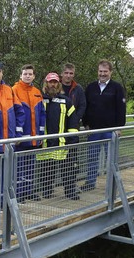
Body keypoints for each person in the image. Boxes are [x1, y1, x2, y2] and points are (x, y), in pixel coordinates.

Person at [0, 60, 25, 213]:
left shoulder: (9, 90)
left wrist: (18, 133)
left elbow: (20, 111)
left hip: (10, 141)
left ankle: (6, 203)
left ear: (2, 73)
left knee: (8, 175)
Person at [81, 59, 126, 191]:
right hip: (93, 130)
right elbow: (85, 106)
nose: (102, 74)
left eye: (105, 71)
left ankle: (112, 185)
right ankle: (90, 183)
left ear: (110, 72)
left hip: (110, 130)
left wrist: (119, 127)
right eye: (100, 71)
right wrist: (86, 124)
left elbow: (121, 108)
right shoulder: (91, 87)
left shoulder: (117, 88)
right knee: (92, 158)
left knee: (112, 159)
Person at [37, 72, 80, 200]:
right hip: (44, 143)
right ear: (46, 83)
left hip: (62, 143)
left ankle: (70, 191)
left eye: (55, 82)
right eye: (50, 82)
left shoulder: (66, 101)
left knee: (68, 170)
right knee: (46, 170)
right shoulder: (39, 99)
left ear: (58, 83)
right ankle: (47, 191)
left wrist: (73, 141)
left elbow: (73, 122)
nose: (53, 85)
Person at [12, 64, 46, 202]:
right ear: (20, 75)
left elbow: (42, 114)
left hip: (34, 136)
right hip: (21, 138)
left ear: (34, 76)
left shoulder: (37, 91)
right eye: (25, 74)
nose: (27, 76)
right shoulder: (14, 90)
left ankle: (29, 191)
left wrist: (41, 133)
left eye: (30, 74)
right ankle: (19, 194)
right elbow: (13, 114)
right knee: (19, 167)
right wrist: (17, 135)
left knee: (30, 166)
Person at [60, 63, 86, 127]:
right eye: (66, 73)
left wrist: (75, 119)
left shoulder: (78, 89)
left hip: (73, 124)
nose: (68, 76)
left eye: (71, 73)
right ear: (62, 74)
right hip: (58, 122)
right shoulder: (55, 87)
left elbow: (82, 106)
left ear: (74, 75)